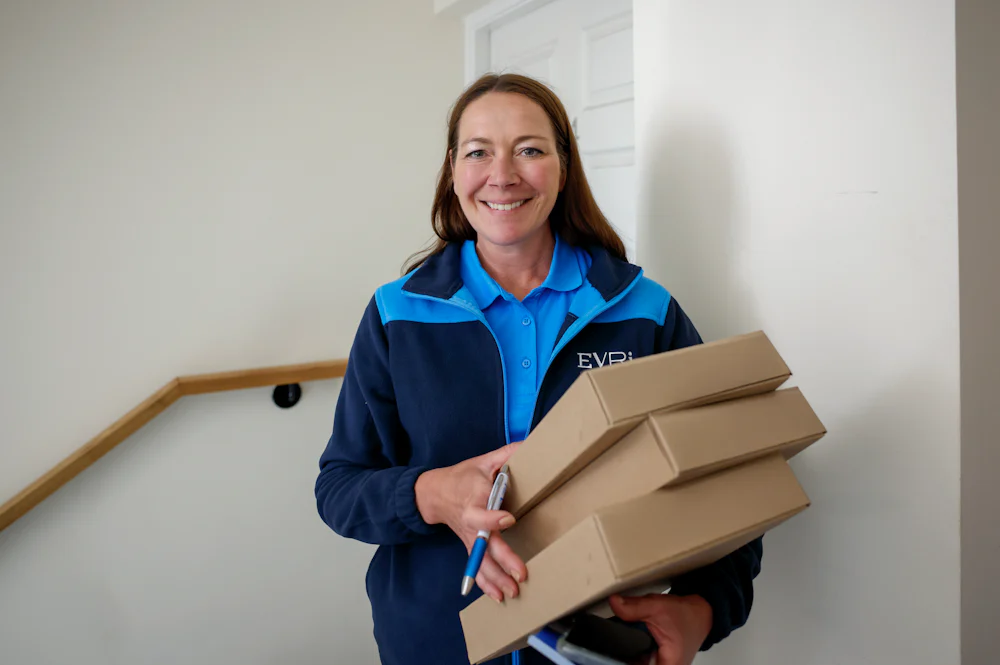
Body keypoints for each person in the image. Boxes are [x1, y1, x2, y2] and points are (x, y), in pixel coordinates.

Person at [314, 73, 763, 665]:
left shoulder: (642, 310)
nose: (502, 175)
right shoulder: (397, 315)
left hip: (600, 646)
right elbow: (339, 487)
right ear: (453, 170)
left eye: (529, 149)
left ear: (563, 166)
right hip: (438, 644)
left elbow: (730, 477)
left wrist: (705, 609)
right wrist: (430, 493)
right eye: (479, 152)